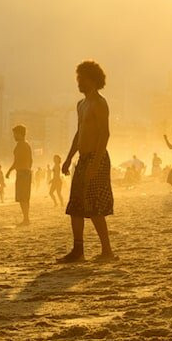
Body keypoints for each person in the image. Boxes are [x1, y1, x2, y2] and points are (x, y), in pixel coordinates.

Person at [58, 60, 115, 262]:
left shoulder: (100, 103)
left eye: (82, 79)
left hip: (96, 158)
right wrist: (68, 158)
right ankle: (78, 250)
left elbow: (104, 134)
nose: (78, 82)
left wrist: (96, 163)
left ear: (92, 80)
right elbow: (79, 133)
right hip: (82, 159)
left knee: (94, 205)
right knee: (76, 206)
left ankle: (107, 250)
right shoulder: (81, 105)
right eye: (78, 78)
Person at [7, 125, 35, 223]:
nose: (14, 136)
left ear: (19, 134)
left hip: (22, 173)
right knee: (25, 197)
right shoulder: (26, 144)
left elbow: (17, 161)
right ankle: (26, 218)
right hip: (26, 172)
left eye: (15, 134)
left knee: (22, 197)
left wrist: (10, 171)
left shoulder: (21, 145)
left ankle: (26, 219)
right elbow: (31, 160)